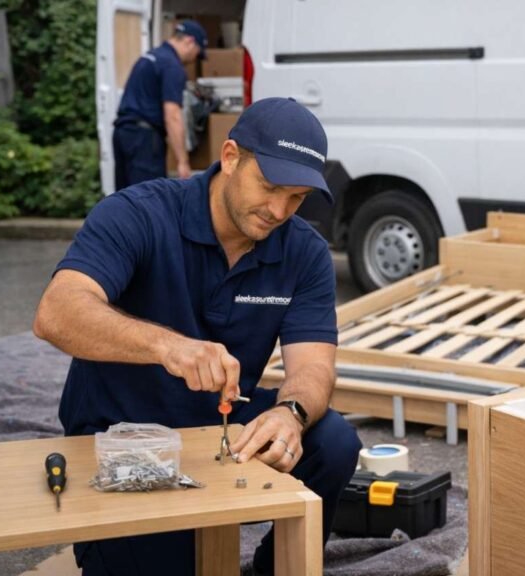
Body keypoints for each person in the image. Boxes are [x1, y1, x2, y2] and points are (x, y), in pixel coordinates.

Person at [34, 97, 362, 575]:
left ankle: (279, 568)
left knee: (332, 440)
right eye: (269, 187)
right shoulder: (138, 214)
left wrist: (290, 415)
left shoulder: (304, 252)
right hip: (123, 438)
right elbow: (56, 313)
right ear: (230, 158)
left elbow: (313, 366)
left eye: (296, 199)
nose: (278, 210)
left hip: (222, 431)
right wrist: (168, 346)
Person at [113, 19, 207, 189]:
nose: (194, 59)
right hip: (144, 140)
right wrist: (182, 161)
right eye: (197, 53)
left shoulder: (150, 56)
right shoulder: (172, 66)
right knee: (148, 200)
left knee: (125, 200)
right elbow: (172, 115)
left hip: (123, 133)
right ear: (189, 41)